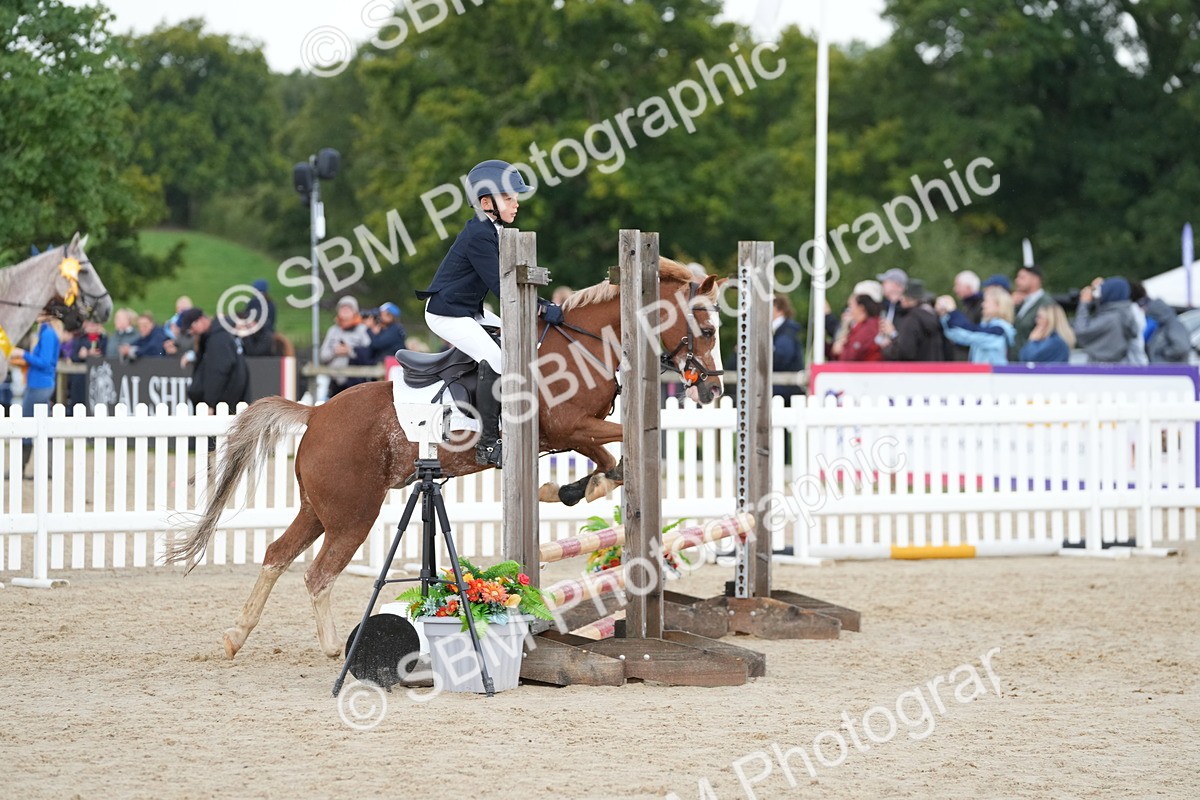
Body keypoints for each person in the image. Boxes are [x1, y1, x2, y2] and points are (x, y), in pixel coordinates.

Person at [415, 159, 564, 468]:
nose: (516, 203)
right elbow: (502, 285)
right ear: (487, 203)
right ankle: (486, 443)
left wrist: (541, 304)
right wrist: (542, 306)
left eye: (515, 197)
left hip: (470, 310)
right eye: (509, 197)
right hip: (447, 313)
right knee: (496, 359)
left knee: (524, 337)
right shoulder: (479, 235)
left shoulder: (494, 231)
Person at [9, 309, 65, 478]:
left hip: (40, 385)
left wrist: (22, 354)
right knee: (41, 426)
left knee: (28, 426)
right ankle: (46, 469)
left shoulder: (47, 333)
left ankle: (21, 469)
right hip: (39, 384)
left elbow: (45, 362)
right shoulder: (44, 331)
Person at [179, 308, 250, 410]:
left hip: (223, 404)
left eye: (191, 326)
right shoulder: (218, 335)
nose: (191, 332)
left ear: (201, 320)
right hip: (228, 402)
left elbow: (218, 372)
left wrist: (210, 403)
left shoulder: (217, 339)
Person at [936, 285, 1015, 365]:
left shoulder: (999, 330)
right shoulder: (989, 327)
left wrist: (952, 312)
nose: (983, 305)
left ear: (998, 305)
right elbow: (957, 335)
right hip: (986, 375)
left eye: (986, 301)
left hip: (994, 375)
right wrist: (945, 315)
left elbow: (969, 332)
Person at [1073, 277, 1141, 364]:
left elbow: (1081, 331)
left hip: (1102, 369)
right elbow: (1103, 313)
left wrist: (1084, 304)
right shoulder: (1124, 314)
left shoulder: (1112, 318)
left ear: (1110, 293)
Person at [879, 279, 945, 362]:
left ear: (908, 299)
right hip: (935, 370)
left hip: (915, 372)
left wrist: (888, 344)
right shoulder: (934, 317)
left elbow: (904, 351)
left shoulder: (912, 319)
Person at [319, 296, 372, 397]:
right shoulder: (333, 330)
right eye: (342, 308)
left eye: (348, 308)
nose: (345, 311)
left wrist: (350, 351)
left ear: (354, 311)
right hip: (335, 383)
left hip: (357, 383)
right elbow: (323, 355)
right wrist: (335, 352)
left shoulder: (363, 330)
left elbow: (369, 354)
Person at [831, 284, 884, 362]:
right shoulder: (859, 327)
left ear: (861, 308)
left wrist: (842, 350)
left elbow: (851, 357)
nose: (849, 310)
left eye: (851, 306)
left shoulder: (869, 328)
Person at [1012, 264, 1053, 359]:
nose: (1017, 280)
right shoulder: (1020, 302)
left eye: (1022, 277)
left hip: (1032, 360)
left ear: (1035, 279)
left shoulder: (1046, 303)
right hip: (1017, 360)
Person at [771, 293, 804, 399]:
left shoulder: (786, 332)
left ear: (779, 309)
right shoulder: (784, 330)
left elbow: (781, 359)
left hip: (784, 390)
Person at [1143, 297, 1192, 363]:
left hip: (1173, 370)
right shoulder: (1163, 326)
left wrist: (1165, 352)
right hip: (1166, 370)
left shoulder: (1174, 326)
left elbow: (1182, 347)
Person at [241, 278, 278, 357]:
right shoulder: (271, 303)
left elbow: (246, 316)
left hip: (256, 331)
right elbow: (273, 319)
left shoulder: (253, 302)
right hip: (269, 330)